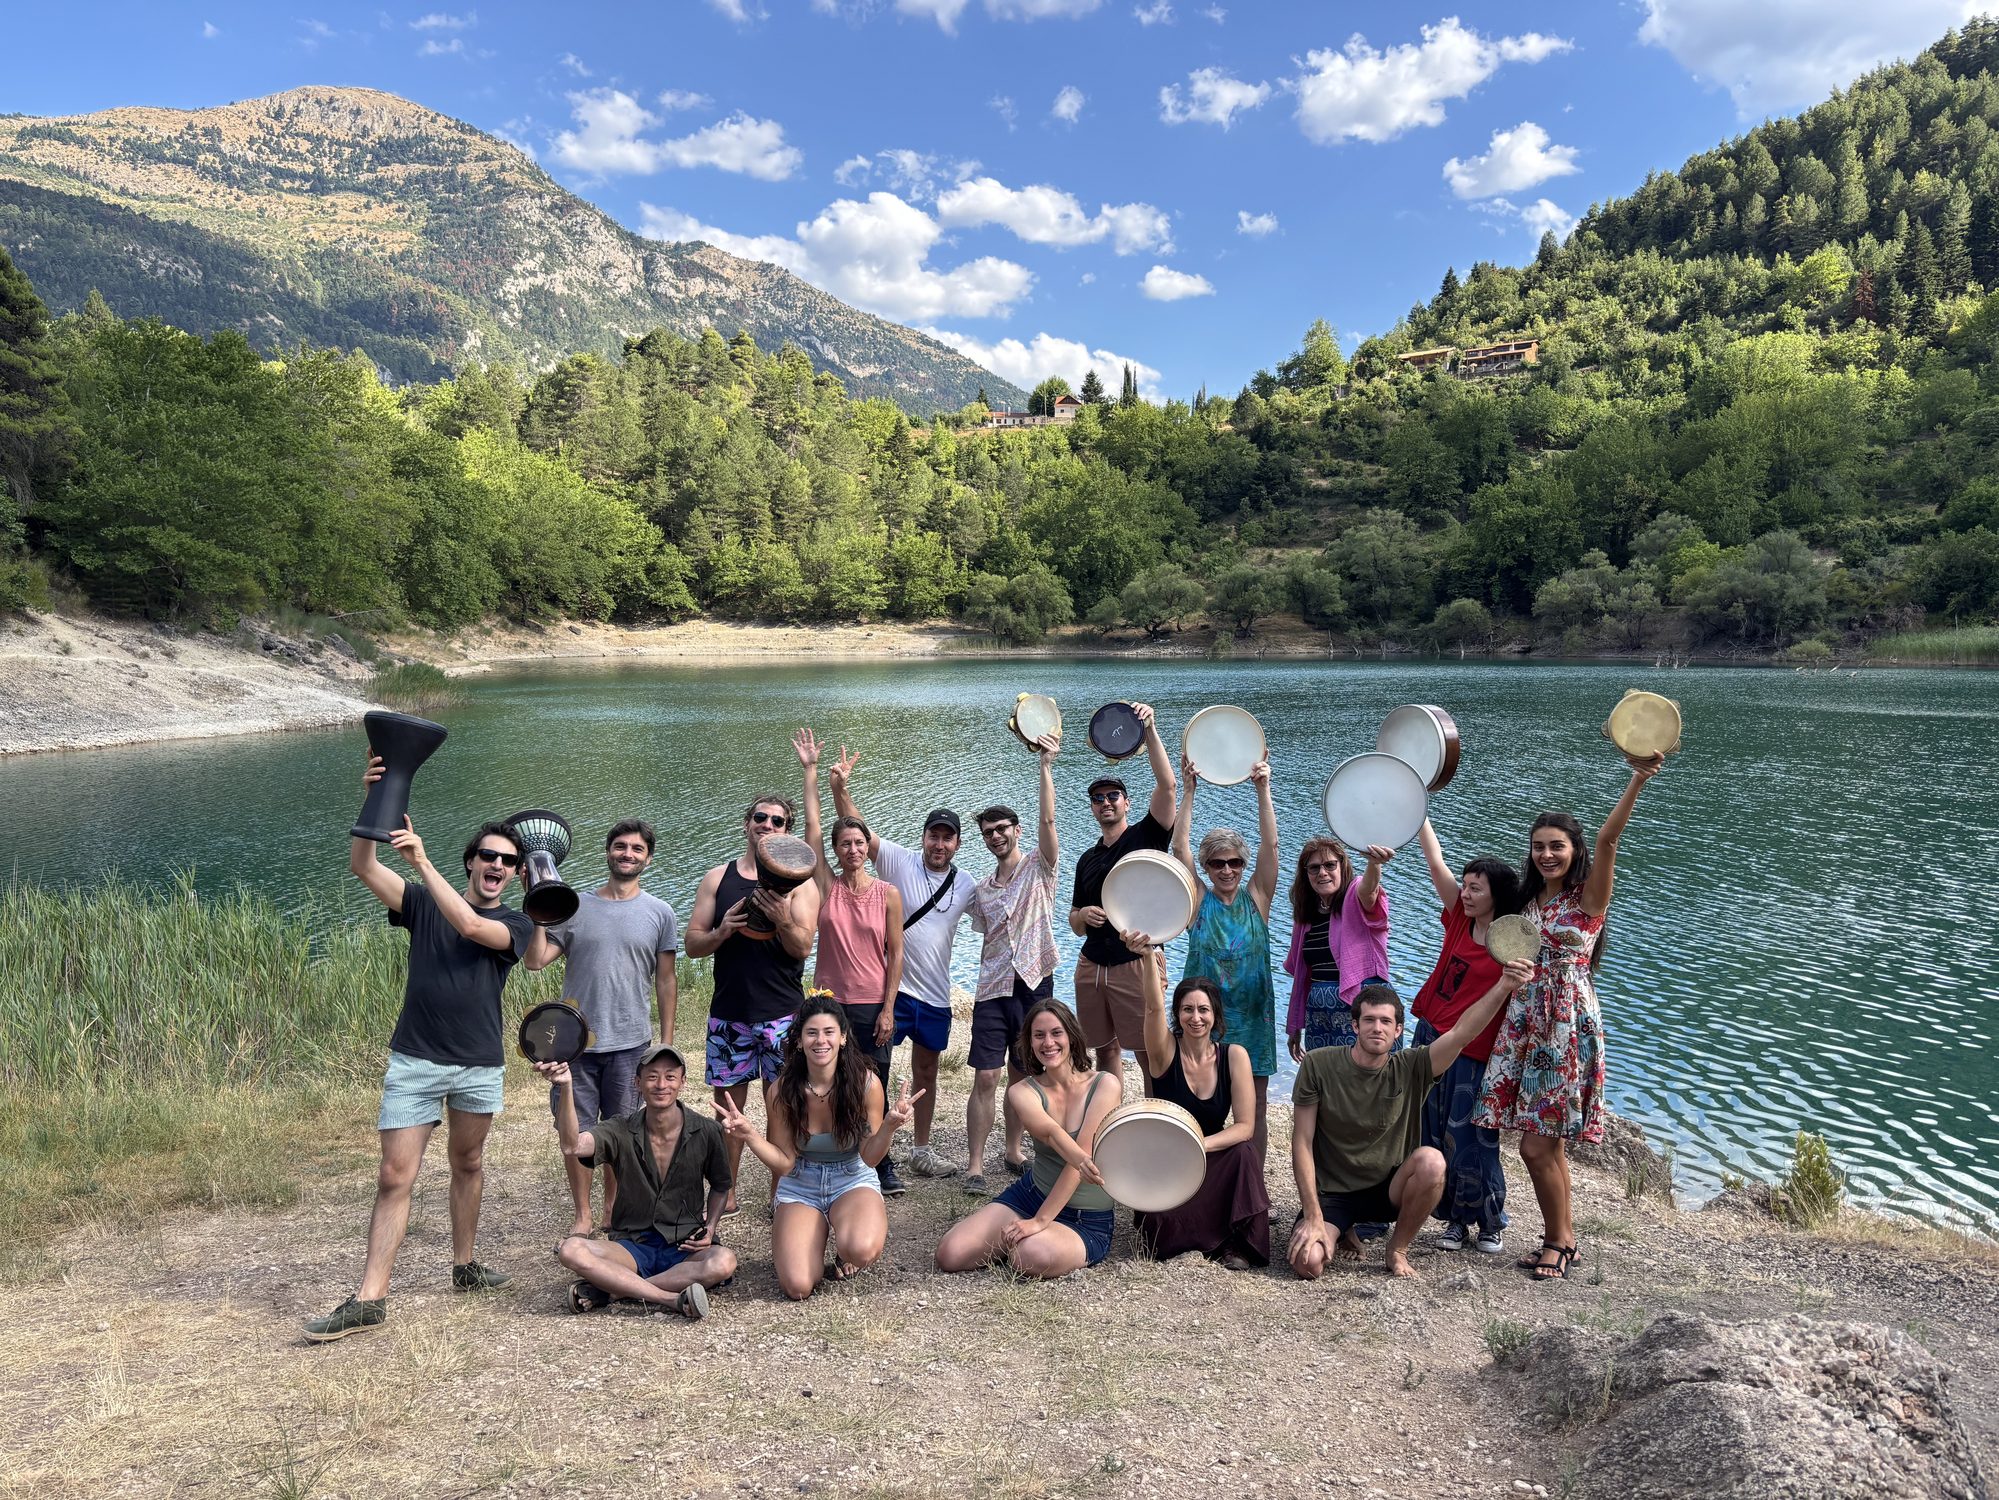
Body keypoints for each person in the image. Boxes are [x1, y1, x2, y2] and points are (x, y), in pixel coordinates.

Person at [304, 757, 536, 1342]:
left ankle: (464, 1267)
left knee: (468, 1162)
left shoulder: (519, 922)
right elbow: (362, 863)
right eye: (488, 856)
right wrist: (375, 802)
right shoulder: (418, 901)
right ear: (472, 861)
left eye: (508, 862)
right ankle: (369, 1298)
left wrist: (423, 861)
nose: (498, 867)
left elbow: (471, 929)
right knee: (394, 1175)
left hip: (479, 1063)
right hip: (416, 1059)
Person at [1474, 750, 1667, 1281]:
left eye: (1557, 847)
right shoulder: (1531, 897)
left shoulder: (1589, 895)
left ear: (1574, 850)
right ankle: (1563, 1240)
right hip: (1528, 1017)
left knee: (1538, 1145)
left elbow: (1609, 840)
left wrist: (1636, 779)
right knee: (1545, 1143)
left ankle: (1558, 1243)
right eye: (1538, 847)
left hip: (1565, 1020)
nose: (1546, 855)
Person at [1288, 970, 1530, 1280]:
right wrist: (1313, 1215)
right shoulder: (1318, 1064)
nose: (1377, 1028)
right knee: (1307, 1263)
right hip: (1333, 1193)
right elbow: (1302, 1141)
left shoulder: (1412, 1067)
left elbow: (1461, 1034)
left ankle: (1397, 1249)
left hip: (1389, 1189)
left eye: (1386, 1022)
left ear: (1398, 1029)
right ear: (1354, 1025)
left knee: (1432, 1161)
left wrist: (1504, 985)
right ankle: (1342, 1228)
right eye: (1369, 1020)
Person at [523, 818, 680, 1237]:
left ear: (648, 858)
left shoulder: (660, 913)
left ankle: (611, 1208)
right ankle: (583, 1214)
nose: (627, 854)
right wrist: (537, 905)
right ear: (608, 851)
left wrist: (665, 1042)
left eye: (636, 849)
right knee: (573, 1131)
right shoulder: (574, 906)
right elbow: (536, 961)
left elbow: (666, 979)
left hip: (631, 1042)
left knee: (622, 1132)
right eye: (620, 846)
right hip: (574, 1045)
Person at [829, 748, 977, 1187]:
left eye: (947, 838)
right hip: (888, 991)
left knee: (926, 1071)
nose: (939, 844)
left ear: (957, 844)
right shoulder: (897, 860)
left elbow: (994, 917)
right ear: (924, 837)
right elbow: (855, 832)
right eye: (934, 835)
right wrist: (840, 788)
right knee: (875, 1071)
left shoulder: (965, 883)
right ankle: (872, 1151)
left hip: (934, 991)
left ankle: (921, 1149)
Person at [715, 996, 924, 1298]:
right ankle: (813, 1234)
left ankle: (843, 1245)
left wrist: (889, 1126)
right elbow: (785, 1163)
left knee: (860, 1249)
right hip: (801, 1182)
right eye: (811, 1032)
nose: (820, 1040)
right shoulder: (782, 1090)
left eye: (829, 1032)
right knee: (798, 1286)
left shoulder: (867, 1085)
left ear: (843, 1037)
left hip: (852, 1177)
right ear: (799, 1040)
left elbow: (869, 1157)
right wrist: (750, 1135)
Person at [683, 791, 821, 1215]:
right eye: (760, 817)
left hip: (782, 1014)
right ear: (747, 823)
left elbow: (802, 947)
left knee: (782, 1105)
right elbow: (691, 944)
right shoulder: (717, 878)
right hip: (730, 1013)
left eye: (777, 821)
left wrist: (782, 919)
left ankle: (782, 1190)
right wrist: (721, 931)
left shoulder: (803, 883)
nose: (767, 824)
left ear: (787, 832)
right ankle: (726, 1190)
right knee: (728, 1111)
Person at [536, 1043, 737, 1320]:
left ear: (683, 1082)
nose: (661, 1084)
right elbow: (572, 1147)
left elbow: (721, 1185)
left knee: (724, 1261)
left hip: (683, 1247)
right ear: (637, 1083)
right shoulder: (620, 1129)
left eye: (670, 1076)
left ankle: (612, 1290)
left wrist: (711, 1227)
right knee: (571, 1249)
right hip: (631, 1246)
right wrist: (566, 1086)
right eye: (652, 1076)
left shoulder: (706, 1130)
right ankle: (668, 1297)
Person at [934, 1000, 1121, 1278]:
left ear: (1071, 1035)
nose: (1048, 1043)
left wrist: (1041, 1222)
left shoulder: (1105, 1084)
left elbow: (1080, 1156)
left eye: (1056, 1033)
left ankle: (1033, 1238)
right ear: (1030, 1043)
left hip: (1085, 1216)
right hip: (1030, 1198)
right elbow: (1050, 1133)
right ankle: (1023, 1234)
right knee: (950, 1254)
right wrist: (1035, 1217)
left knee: (1027, 1256)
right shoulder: (1022, 1091)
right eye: (1039, 1035)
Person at [1410, 820, 1526, 1256]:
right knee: (1433, 1132)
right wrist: (1418, 810)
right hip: (1431, 1036)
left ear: (1497, 893)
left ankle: (1490, 1221)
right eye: (1466, 885)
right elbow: (1434, 861)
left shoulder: (1511, 941)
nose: (1466, 893)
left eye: (1476, 888)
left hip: (1477, 1051)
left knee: (1477, 1138)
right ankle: (1454, 1220)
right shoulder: (1459, 917)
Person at [960, 727, 1061, 1191]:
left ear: (1016, 831)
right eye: (988, 833)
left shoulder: (1040, 867)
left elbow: (1049, 823)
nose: (996, 836)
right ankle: (975, 1165)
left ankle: (1014, 1150)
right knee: (986, 1073)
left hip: (1036, 981)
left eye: (1002, 829)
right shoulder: (981, 889)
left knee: (1025, 1073)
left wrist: (1044, 766)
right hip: (993, 988)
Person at [1171, 753, 1278, 1160]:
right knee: (1199, 1104)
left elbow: (1271, 844)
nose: (1227, 870)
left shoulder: (1258, 898)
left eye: (1235, 862)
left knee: (1258, 1109)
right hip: (1205, 1022)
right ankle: (1192, 1174)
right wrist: (1190, 789)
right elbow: (1179, 846)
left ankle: (1252, 1182)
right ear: (1207, 866)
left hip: (1253, 1020)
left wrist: (1262, 789)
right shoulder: (1198, 900)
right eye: (1217, 863)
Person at [795, 729, 905, 1123]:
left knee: (874, 1079)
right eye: (845, 844)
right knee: (829, 1078)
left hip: (872, 1002)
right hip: (829, 1000)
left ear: (867, 846)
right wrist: (811, 772)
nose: (854, 850)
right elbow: (813, 829)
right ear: (837, 850)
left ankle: (878, 1156)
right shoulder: (827, 885)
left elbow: (896, 956)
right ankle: (833, 1147)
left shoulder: (888, 893)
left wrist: (888, 1008)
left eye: (860, 843)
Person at [1133, 949, 1269, 1266]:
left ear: (1215, 1015)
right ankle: (1200, 1238)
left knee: (1244, 1152)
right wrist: (1148, 963)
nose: (1196, 1017)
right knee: (1162, 1237)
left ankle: (1233, 1245)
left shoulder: (1234, 1056)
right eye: (1187, 1010)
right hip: (1168, 1160)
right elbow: (1153, 1008)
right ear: (1178, 1015)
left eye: (1203, 1010)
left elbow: (1245, 1126)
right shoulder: (1164, 1052)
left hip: (1211, 1155)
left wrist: (1198, 1146)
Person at [1067, 702, 1178, 1082]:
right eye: (1098, 799)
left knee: (1149, 1048)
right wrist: (1082, 916)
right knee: (1105, 1050)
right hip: (1093, 964)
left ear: (1127, 803)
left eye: (1113, 796)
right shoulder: (1086, 859)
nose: (1106, 803)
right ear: (1092, 809)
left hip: (1137, 961)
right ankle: (1111, 1119)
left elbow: (1168, 785)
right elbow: (1074, 920)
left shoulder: (1146, 837)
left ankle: (1156, 1118)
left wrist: (1149, 730)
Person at [1281, 837, 1394, 1058]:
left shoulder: (1355, 896)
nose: (1322, 872)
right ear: (1306, 874)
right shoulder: (1306, 916)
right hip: (1319, 1015)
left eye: (1330, 865)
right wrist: (1294, 1026)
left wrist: (1374, 864)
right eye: (1314, 868)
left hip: (1362, 1012)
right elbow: (1302, 977)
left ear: (1342, 866)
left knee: (1365, 1084)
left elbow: (1369, 891)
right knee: (1324, 1085)